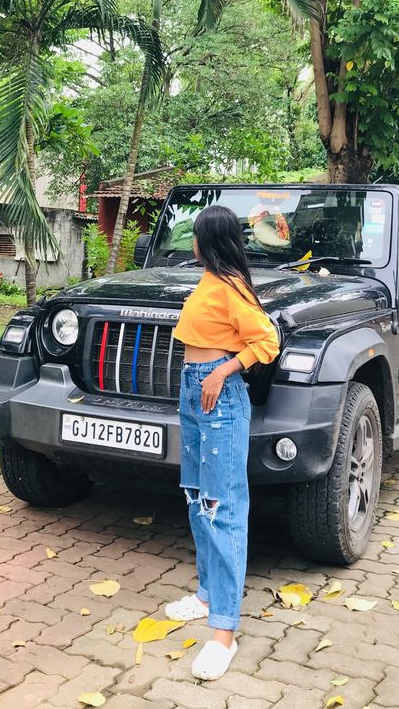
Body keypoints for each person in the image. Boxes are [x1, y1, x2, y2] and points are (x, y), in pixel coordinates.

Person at [165, 204, 280, 681]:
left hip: (219, 397)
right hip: (194, 393)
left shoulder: (232, 288)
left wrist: (223, 370)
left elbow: (267, 340)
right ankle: (207, 593)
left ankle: (224, 633)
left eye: (195, 235)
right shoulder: (210, 280)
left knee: (224, 507)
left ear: (208, 240)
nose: (191, 243)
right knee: (197, 498)